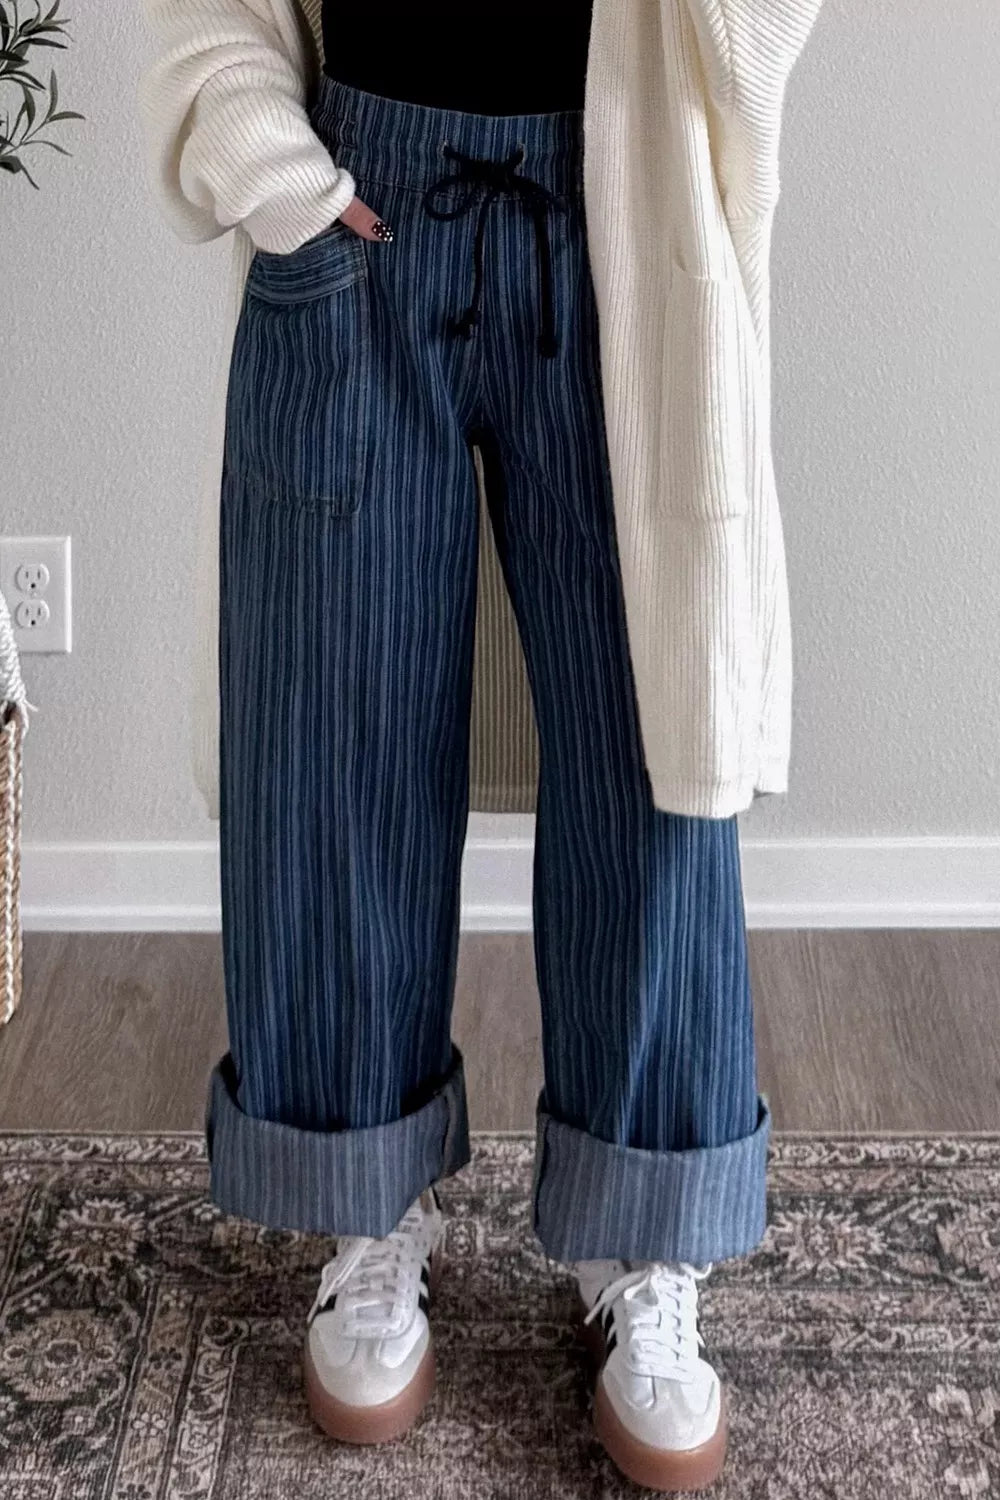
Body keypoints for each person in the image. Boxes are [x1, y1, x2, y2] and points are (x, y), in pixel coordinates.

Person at [136, 0, 827, 1491]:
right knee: (330, 730)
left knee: (654, 754)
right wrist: (289, 190)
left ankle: (649, 1243)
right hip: (354, 198)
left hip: (622, 195)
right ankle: (362, 1215)